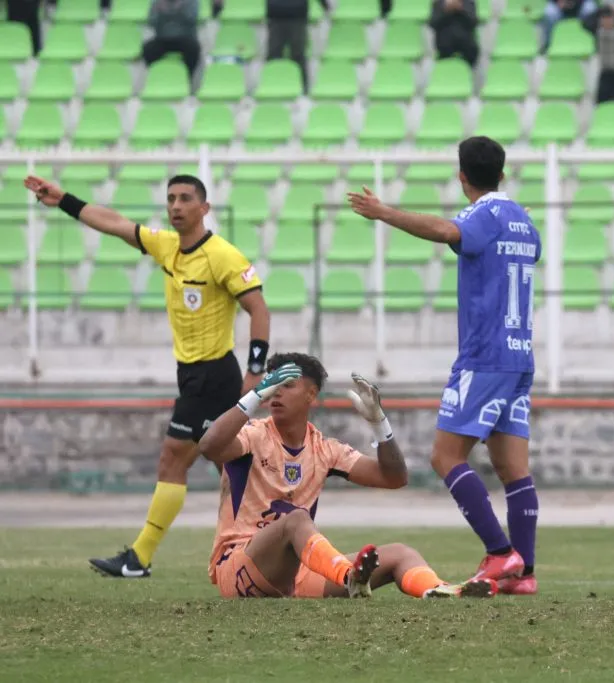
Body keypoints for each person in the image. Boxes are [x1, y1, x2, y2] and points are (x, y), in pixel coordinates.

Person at [24, 173, 271, 579]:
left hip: (214, 375)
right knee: (230, 467)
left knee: (175, 459)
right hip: (191, 375)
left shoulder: (222, 255)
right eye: (171, 198)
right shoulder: (167, 246)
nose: (175, 205)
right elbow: (115, 223)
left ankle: (141, 558)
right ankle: (268, 545)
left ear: (204, 209)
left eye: (185, 198)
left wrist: (254, 375)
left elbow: (259, 310)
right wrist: (64, 200)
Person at [347, 136, 541, 596]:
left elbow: (449, 232)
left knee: (444, 456)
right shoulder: (525, 222)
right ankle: (524, 572)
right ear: (503, 172)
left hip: (485, 356)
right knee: (513, 468)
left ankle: (499, 553)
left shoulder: (482, 216)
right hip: (519, 356)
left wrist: (385, 212)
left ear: (462, 177)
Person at [199, 352, 497, 600]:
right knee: (296, 520)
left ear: (311, 394)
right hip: (239, 568)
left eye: (287, 384)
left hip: (297, 576)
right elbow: (210, 446)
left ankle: (439, 589)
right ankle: (349, 576)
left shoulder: (325, 450)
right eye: (271, 384)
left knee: (399, 553)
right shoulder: (253, 435)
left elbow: (394, 478)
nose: (275, 391)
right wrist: (254, 394)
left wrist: (379, 424)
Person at [266, 0, 330, 94]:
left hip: (297, 16)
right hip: (277, 15)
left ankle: (303, 88)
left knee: (298, 55)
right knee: (274, 55)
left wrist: (325, 6)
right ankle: (270, 85)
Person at [143, 0, 202, 80]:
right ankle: (157, 76)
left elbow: (192, 19)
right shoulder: (157, 2)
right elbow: (151, 22)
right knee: (148, 49)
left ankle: (187, 78)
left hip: (185, 37)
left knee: (193, 48)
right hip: (163, 38)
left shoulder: (191, 1)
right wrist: (159, 11)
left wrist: (181, 9)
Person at [430, 0, 480, 67]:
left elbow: (473, 23)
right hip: (445, 43)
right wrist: (446, 11)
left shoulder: (469, 3)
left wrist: (461, 10)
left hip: (466, 42)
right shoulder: (438, 4)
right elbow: (433, 24)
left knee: (471, 50)